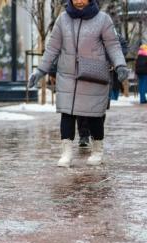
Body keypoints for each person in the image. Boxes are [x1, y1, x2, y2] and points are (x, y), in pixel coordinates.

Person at [28, 0, 129, 167]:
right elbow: (52, 48)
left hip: (93, 74)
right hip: (67, 76)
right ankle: (66, 153)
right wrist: (40, 71)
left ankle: (97, 150)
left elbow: (113, 45)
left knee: (94, 115)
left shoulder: (103, 19)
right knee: (66, 113)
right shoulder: (62, 20)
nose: (79, 1)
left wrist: (120, 65)